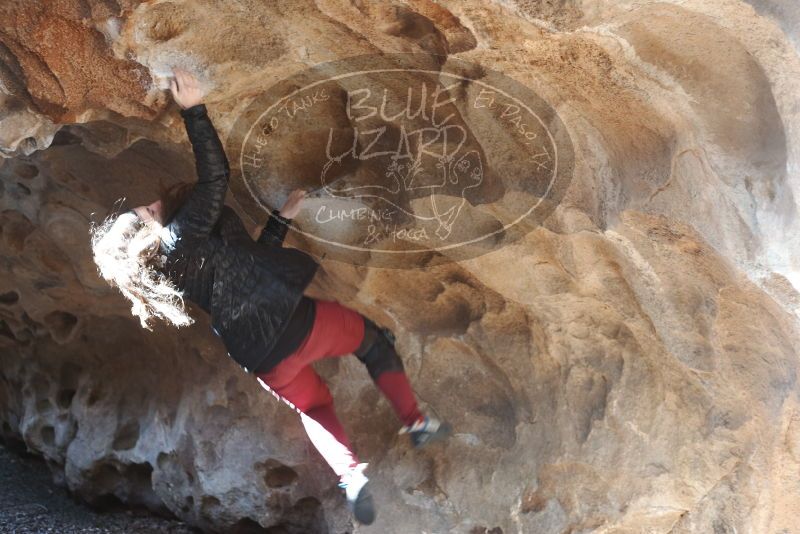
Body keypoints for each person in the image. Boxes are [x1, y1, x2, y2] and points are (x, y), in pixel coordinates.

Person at [89, 66, 451, 525]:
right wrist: (193, 110)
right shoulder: (180, 235)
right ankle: (416, 423)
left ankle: (351, 475)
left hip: (259, 357)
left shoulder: (173, 268)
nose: (151, 204)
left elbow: (248, 266)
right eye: (145, 213)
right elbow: (215, 178)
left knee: (316, 406)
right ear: (147, 235)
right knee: (372, 341)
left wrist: (281, 219)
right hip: (293, 322)